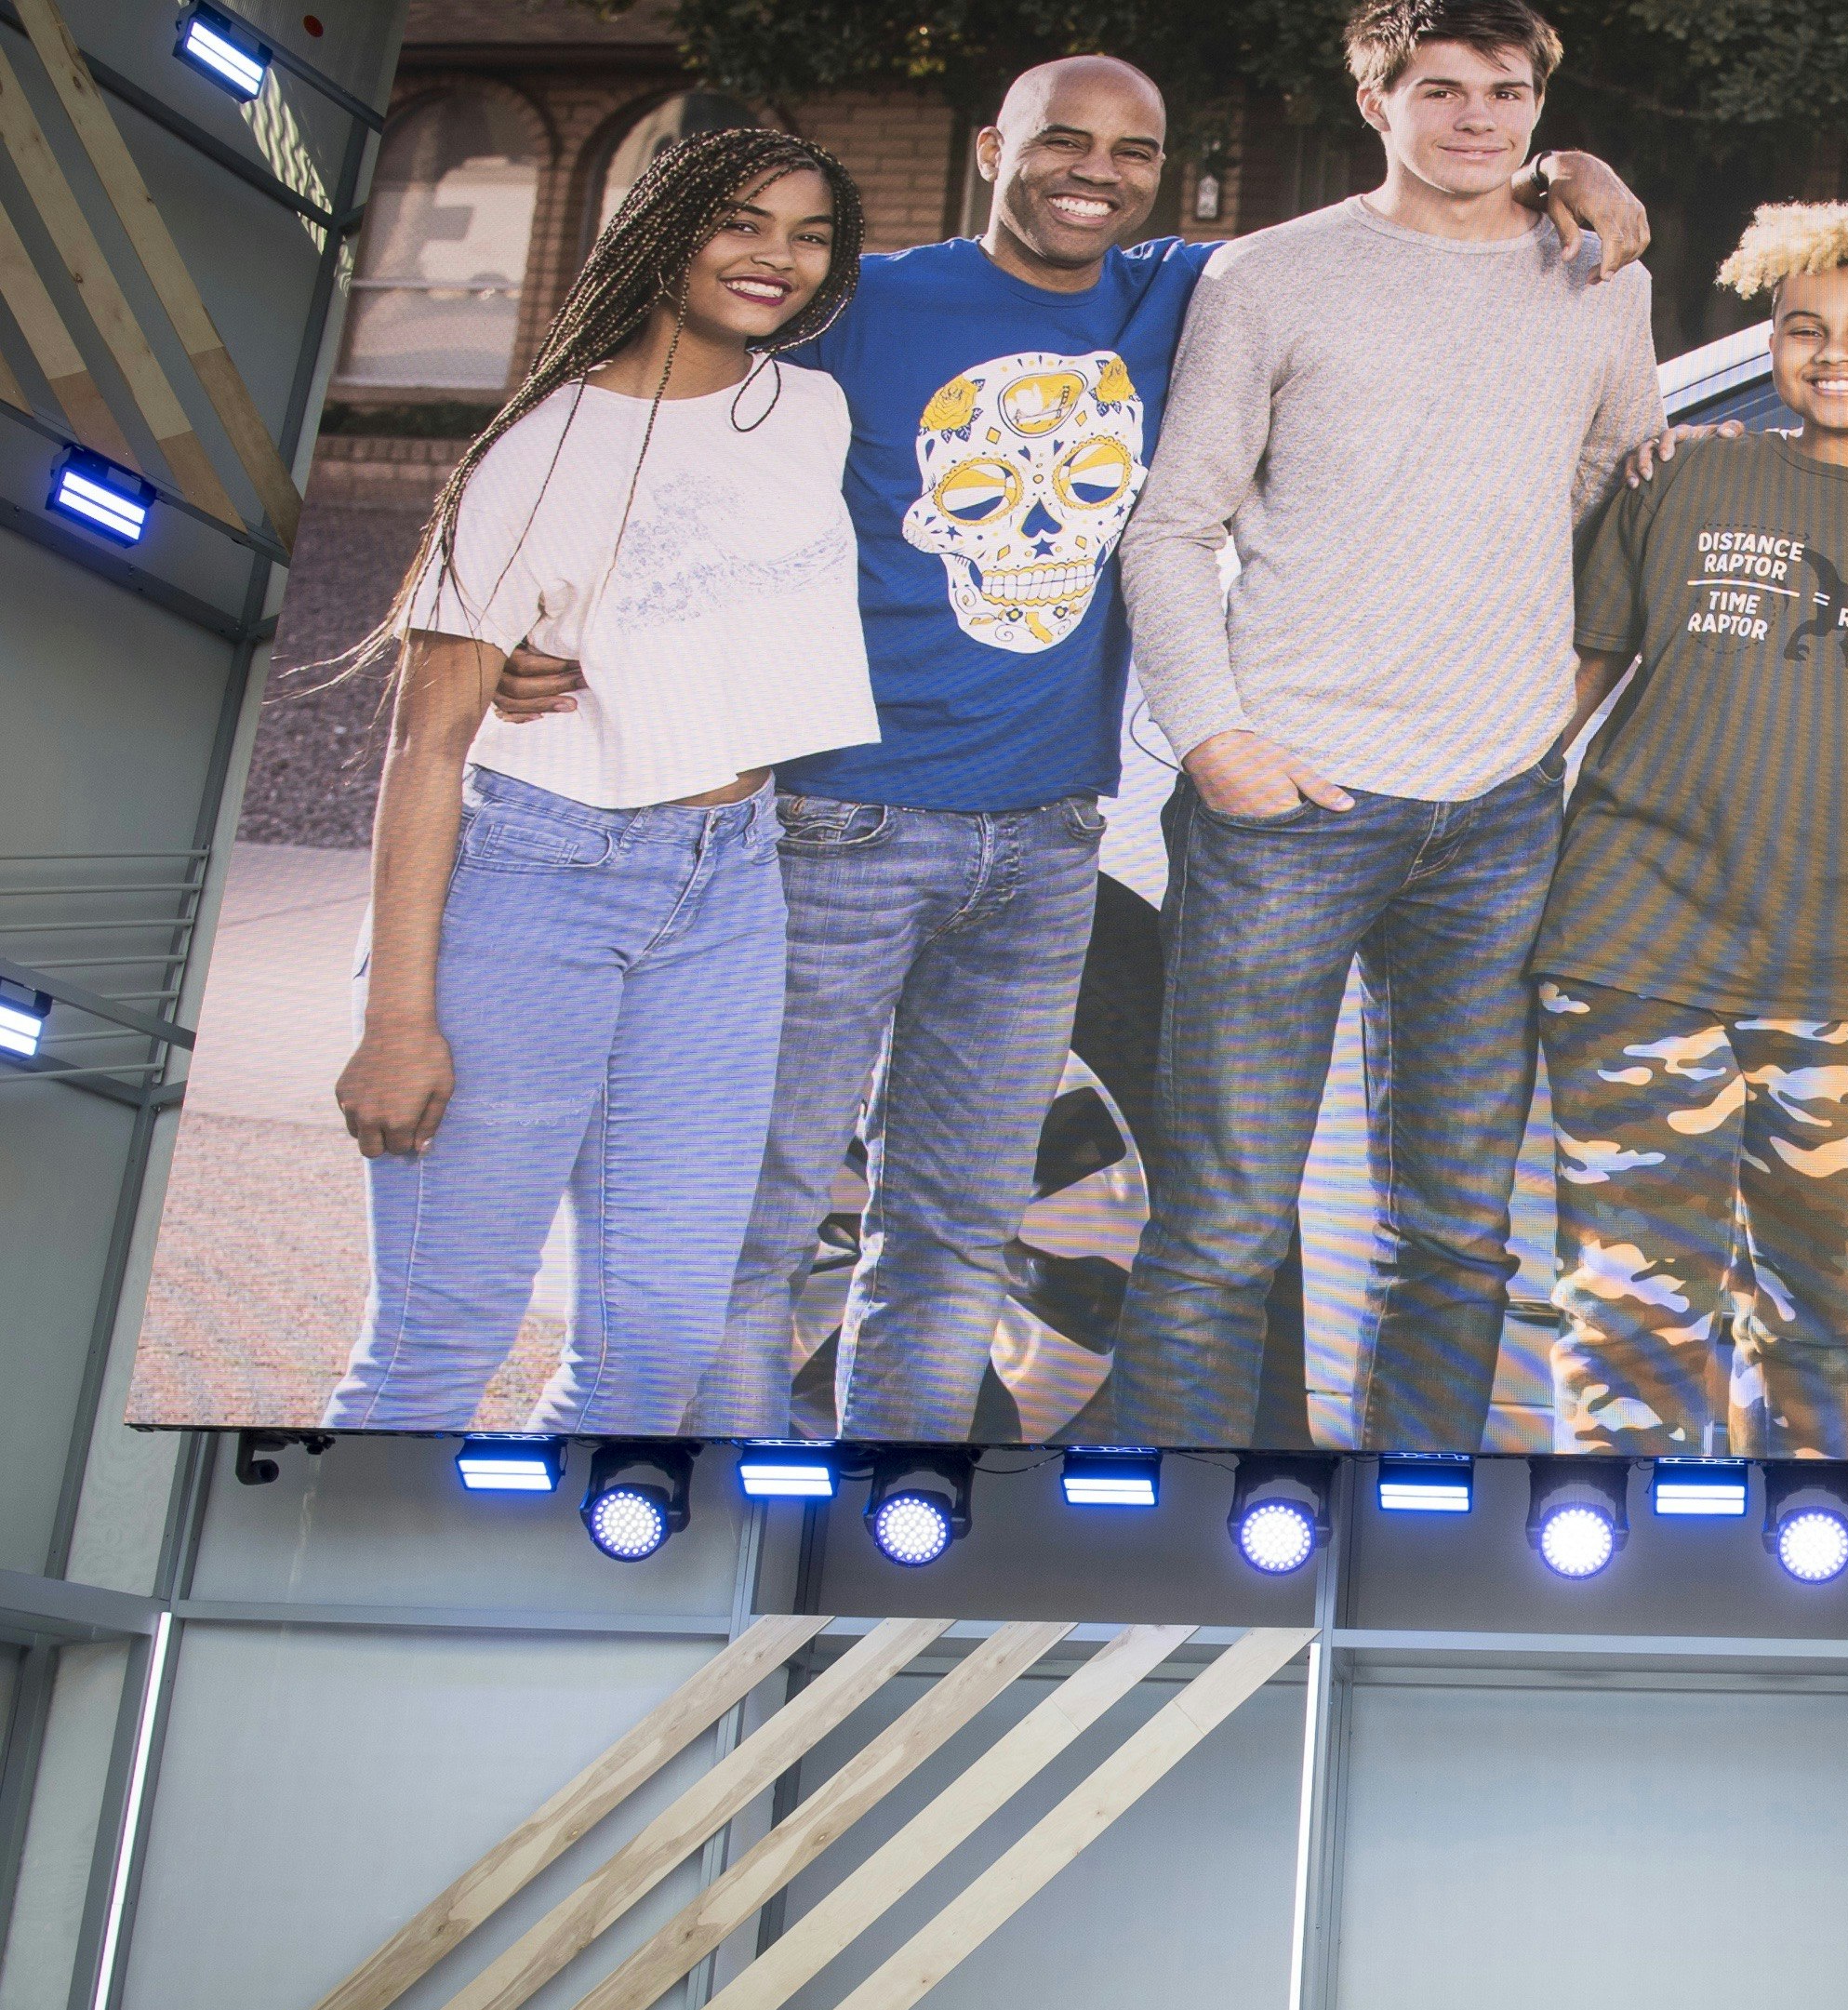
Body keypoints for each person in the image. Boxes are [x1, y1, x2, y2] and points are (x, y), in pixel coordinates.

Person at [485, 59, 1648, 1442]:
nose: (1092, 171)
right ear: (993, 148)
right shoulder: (868, 301)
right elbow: (653, 423)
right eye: (1060, 142)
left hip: (1048, 834)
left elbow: (1411, 254)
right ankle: (739, 1515)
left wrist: (1560, 175)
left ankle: (891, 1507)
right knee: (769, 1214)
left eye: (1132, 151)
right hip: (843, 818)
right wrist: (541, 609)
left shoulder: (1176, 295)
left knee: (952, 1233)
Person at [1114, 0, 1663, 1452]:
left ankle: (1408, 1523)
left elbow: (1617, 505)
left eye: (1504, 92)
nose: (1476, 119)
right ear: (1376, 102)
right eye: (1440, 89)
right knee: (1225, 1222)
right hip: (1290, 796)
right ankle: (1183, 1528)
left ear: (1541, 110)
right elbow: (1172, 526)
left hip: (1497, 810)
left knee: (1460, 1229)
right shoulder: (1272, 276)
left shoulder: (1599, 280)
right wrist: (1217, 739)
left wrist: (1555, 711)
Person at [324, 132, 874, 1434]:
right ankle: (335, 1615)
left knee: (658, 1346)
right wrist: (399, 1023)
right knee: (435, 1343)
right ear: (663, 233)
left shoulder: (810, 409)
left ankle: (518, 1604)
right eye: (739, 223)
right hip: (535, 884)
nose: (776, 259)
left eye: (806, 234)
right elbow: (425, 747)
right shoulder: (539, 457)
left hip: (733, 882)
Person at [1539, 203, 1848, 1458]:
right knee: (1630, 1312)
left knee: (1829, 1322)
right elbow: (1566, 684)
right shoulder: (1694, 474)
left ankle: (1813, 1582)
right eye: (1801, 329)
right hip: (1635, 947)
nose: (1835, 355)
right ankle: (1615, 1588)